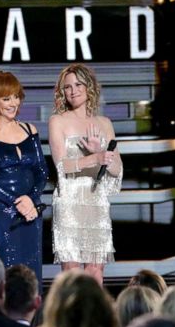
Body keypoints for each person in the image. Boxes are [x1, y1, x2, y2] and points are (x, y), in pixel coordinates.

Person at [47, 63, 122, 284]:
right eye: (68, 87)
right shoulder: (57, 121)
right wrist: (93, 158)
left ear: (89, 87)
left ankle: (95, 317)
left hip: (96, 201)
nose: (73, 91)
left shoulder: (104, 123)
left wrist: (100, 152)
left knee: (96, 271)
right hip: (69, 201)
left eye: (78, 84)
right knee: (71, 272)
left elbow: (117, 169)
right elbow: (62, 166)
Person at [0, 71, 49, 279]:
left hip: (31, 210)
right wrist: (16, 201)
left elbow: (42, 171)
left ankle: (31, 312)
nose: (14, 103)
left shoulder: (29, 129)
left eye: (16, 96)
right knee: (5, 271)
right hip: (1, 212)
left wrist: (30, 200)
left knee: (31, 272)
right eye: (7, 98)